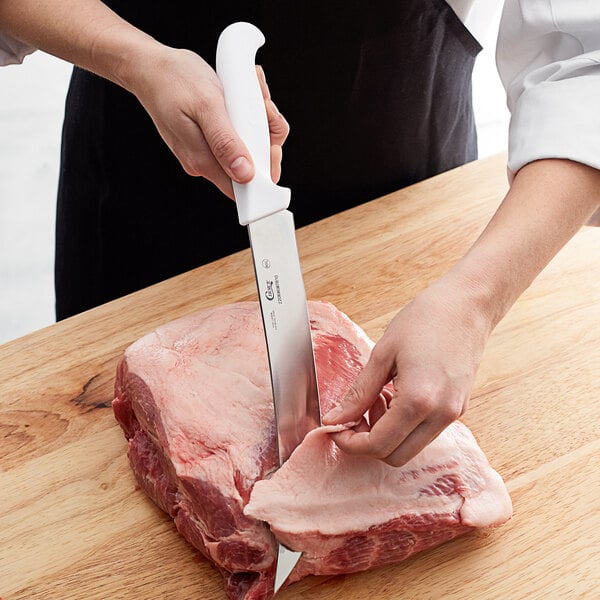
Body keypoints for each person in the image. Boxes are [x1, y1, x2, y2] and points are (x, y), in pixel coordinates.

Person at [2, 1, 599, 467]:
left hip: (398, 218)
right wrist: (137, 58)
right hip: (133, 194)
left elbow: (586, 68)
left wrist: (473, 300)